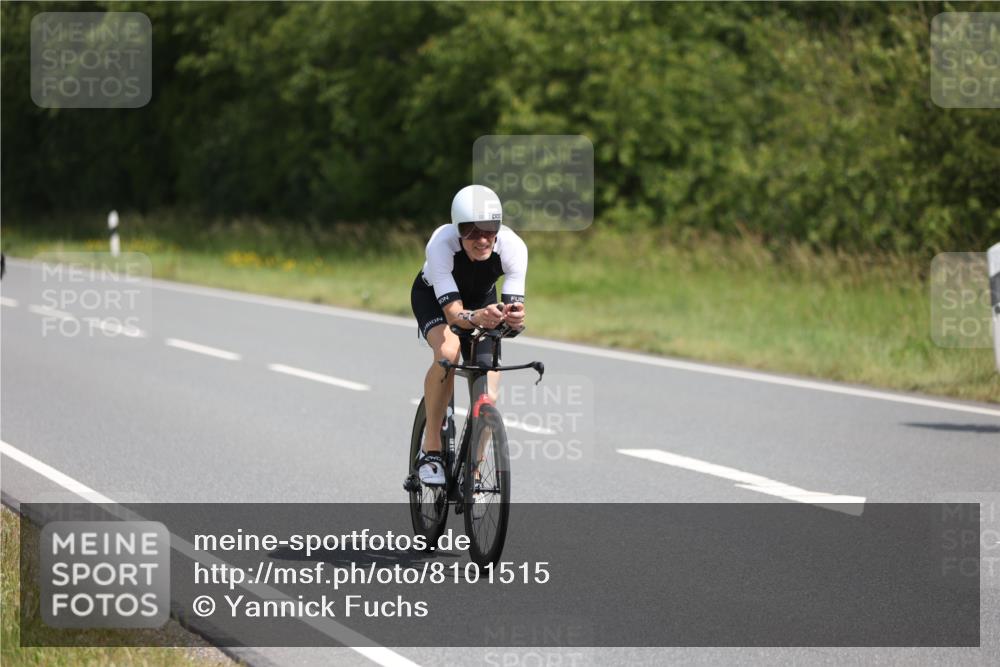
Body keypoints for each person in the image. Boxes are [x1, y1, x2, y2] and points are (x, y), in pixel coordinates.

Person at [410, 185, 527, 485]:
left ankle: (473, 468)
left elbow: (514, 310)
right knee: (449, 352)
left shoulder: (514, 248)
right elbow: (452, 314)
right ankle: (432, 447)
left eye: (490, 229)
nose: (482, 238)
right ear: (457, 230)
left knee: (489, 379)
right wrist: (475, 317)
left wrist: (514, 319)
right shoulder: (441, 243)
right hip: (434, 299)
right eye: (471, 231)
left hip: (482, 301)